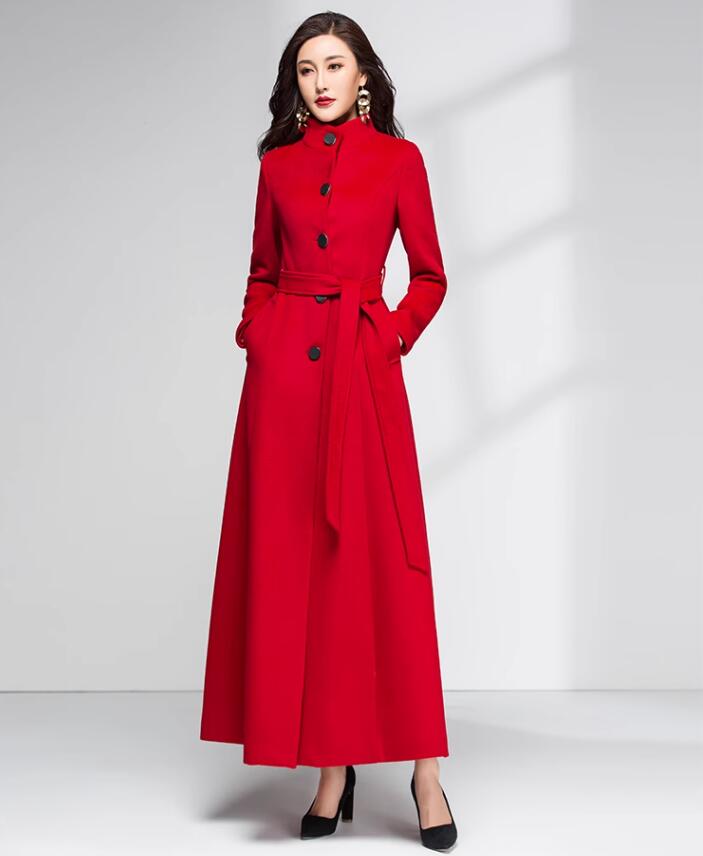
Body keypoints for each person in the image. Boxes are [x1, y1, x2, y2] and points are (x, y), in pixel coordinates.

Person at [200, 11, 457, 851]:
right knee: (304, 572)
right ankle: (330, 770)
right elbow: (260, 271)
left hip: (361, 378)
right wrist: (260, 337)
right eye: (306, 68)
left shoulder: (399, 161)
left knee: (386, 570)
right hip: (282, 394)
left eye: (334, 65)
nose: (319, 82)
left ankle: (424, 771)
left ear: (364, 77)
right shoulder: (275, 166)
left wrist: (385, 337)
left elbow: (428, 275)